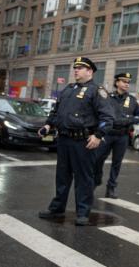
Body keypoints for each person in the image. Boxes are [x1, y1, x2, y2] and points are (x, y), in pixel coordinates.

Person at [38, 57, 114, 226]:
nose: (76, 70)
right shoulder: (68, 89)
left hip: (83, 142)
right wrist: (48, 125)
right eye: (75, 67)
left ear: (90, 71)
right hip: (64, 139)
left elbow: (108, 117)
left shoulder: (97, 90)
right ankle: (57, 208)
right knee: (62, 177)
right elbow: (56, 111)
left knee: (84, 179)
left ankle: (82, 213)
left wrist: (98, 135)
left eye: (80, 68)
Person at [93, 73, 139, 198]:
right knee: (98, 159)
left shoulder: (132, 100)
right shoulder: (107, 97)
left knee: (117, 163)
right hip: (107, 134)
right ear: (117, 83)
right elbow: (99, 113)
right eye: (124, 81)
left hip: (122, 136)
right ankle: (96, 180)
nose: (126, 84)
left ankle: (111, 188)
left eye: (128, 82)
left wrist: (127, 120)